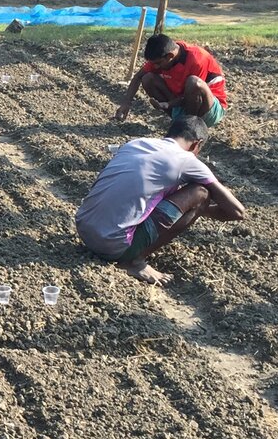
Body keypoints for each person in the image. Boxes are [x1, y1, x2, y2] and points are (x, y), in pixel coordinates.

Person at [75, 114, 245, 286]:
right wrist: (201, 207)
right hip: (112, 246)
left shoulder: (136, 143)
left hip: (84, 229)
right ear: (197, 144)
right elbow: (237, 212)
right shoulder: (185, 160)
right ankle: (134, 261)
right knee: (200, 193)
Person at [115, 33, 228, 127]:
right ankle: (180, 123)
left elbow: (194, 95)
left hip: (208, 110)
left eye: (158, 63)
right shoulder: (165, 53)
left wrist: (168, 104)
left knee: (193, 82)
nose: (156, 67)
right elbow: (138, 77)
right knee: (147, 79)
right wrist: (126, 103)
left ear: (169, 56)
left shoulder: (196, 59)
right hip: (182, 103)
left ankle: (189, 128)